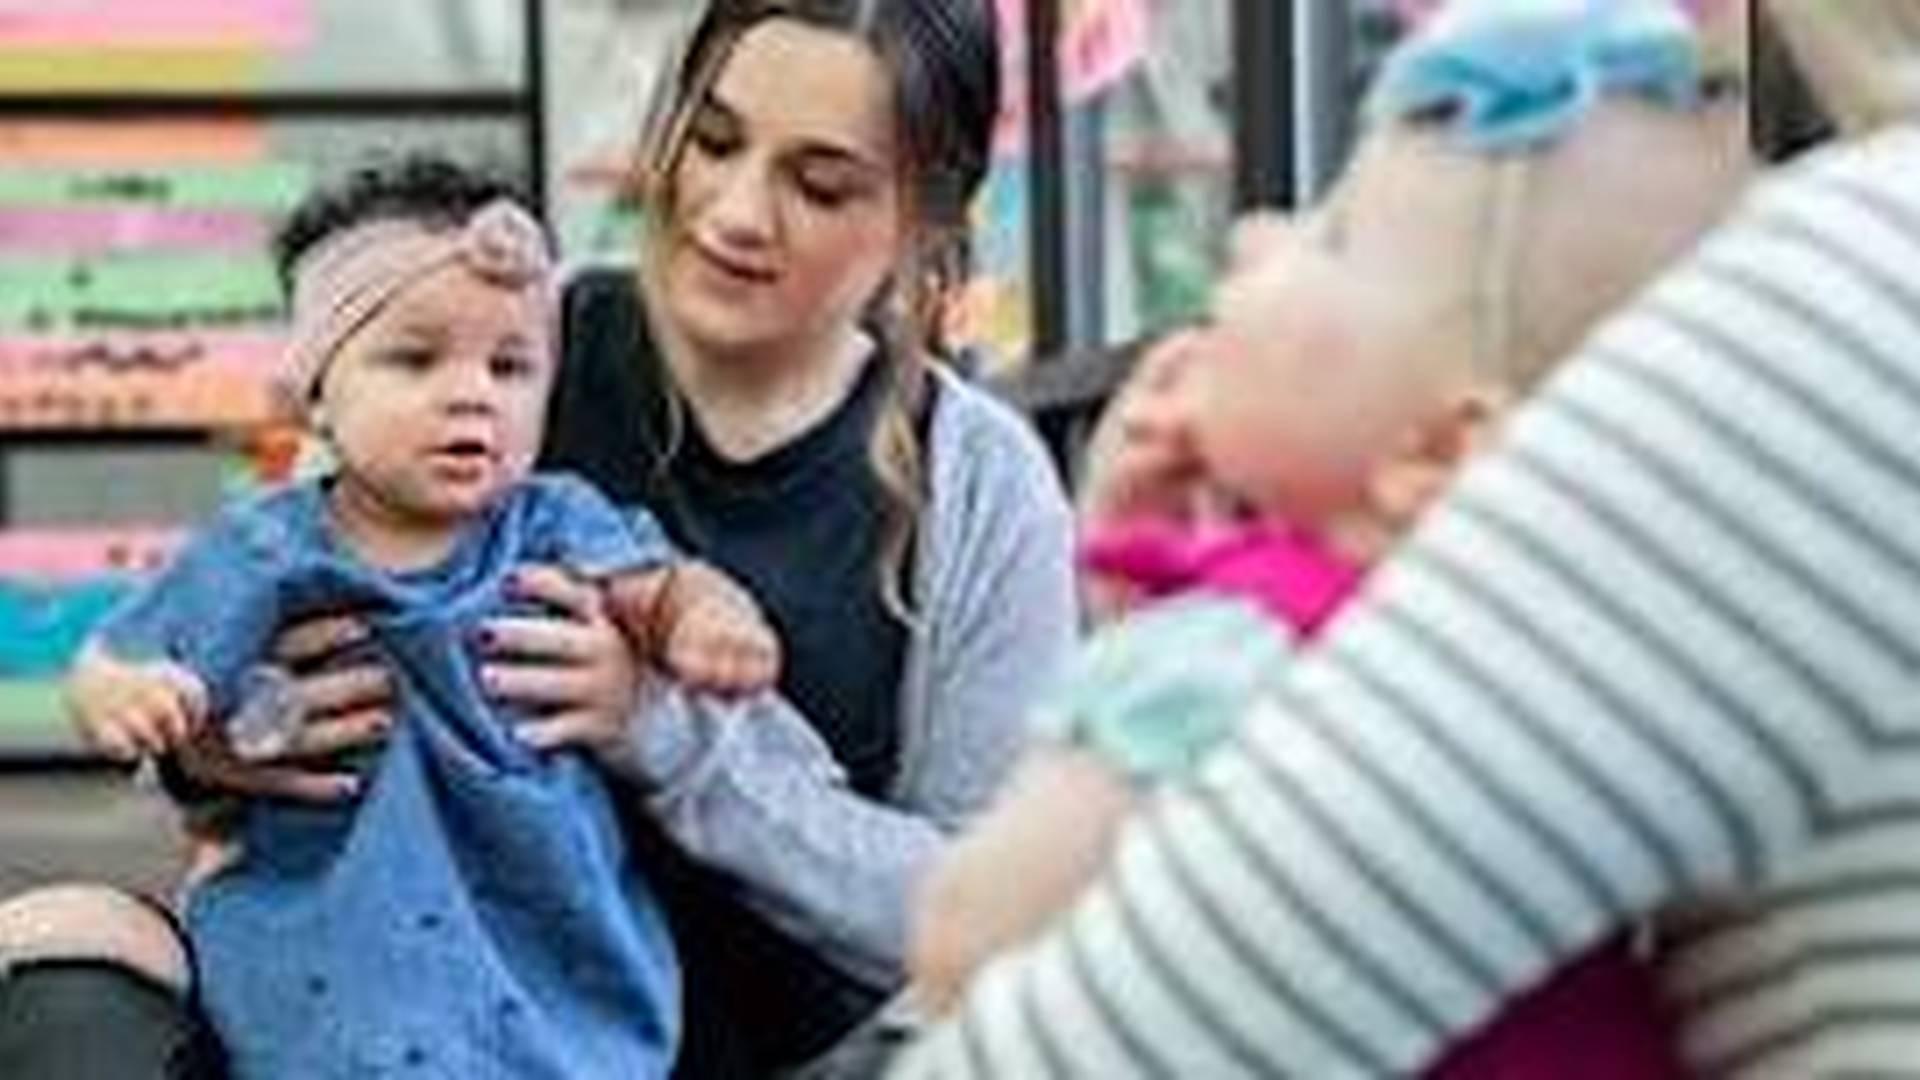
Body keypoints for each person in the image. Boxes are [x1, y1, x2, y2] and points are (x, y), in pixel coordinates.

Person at [2, 0, 1076, 1076]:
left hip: (731, 1057)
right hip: (366, 1023)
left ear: (927, 217)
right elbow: (249, 604)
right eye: (712, 139)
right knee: (63, 980)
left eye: (820, 183)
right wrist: (222, 743)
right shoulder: (484, 335)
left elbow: (984, 910)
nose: (736, 211)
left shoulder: (982, 487)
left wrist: (661, 727)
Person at [891, 0, 1920, 1076]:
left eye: (1331, 236)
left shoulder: (1236, 650)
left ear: (1443, 452)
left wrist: (1149, 656)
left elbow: (977, 944)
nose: (1254, 232)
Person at [62, 155, 786, 1079]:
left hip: (545, 965)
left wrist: (707, 621)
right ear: (320, 391)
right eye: (415, 358)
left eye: (511, 365)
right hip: (334, 951)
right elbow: (123, 657)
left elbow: (662, 587)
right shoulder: (269, 550)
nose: (472, 392)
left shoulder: (558, 522)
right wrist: (127, 695)